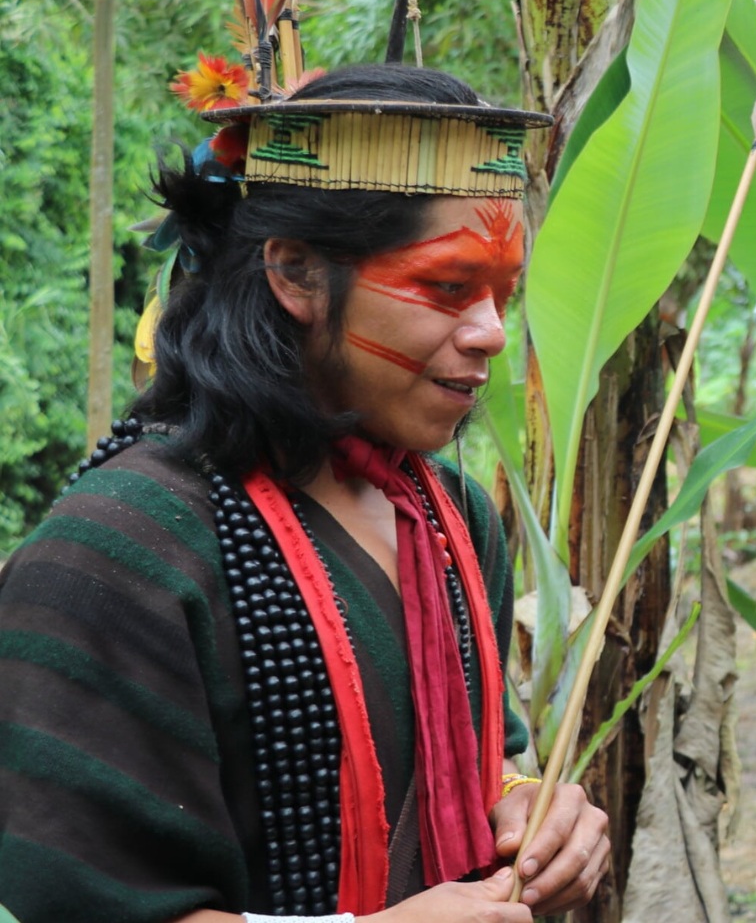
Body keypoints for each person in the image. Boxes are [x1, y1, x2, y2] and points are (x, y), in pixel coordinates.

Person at [0, 63, 609, 923]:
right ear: (295, 274)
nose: (492, 335)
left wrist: (532, 806)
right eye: (447, 287)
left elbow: (481, 748)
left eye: (503, 294)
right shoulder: (115, 554)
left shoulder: (450, 517)